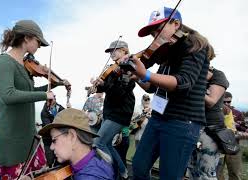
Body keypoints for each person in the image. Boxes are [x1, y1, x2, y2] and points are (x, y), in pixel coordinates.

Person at [130, 7, 213, 179]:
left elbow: (183, 82)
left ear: (176, 24)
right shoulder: (166, 52)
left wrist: (146, 73)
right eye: (153, 33)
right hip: (158, 117)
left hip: (182, 122)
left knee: (169, 176)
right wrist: (137, 76)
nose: (155, 37)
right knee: (138, 166)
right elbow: (152, 87)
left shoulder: (195, 45)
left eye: (158, 30)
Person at [0, 19, 69, 179]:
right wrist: (44, 95)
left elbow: (29, 92)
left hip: (26, 134)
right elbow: (9, 95)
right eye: (38, 42)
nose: (39, 47)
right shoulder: (5, 61)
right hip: (11, 136)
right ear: (27, 38)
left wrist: (56, 84)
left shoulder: (23, 64)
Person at [93, 40, 135, 179]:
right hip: (110, 111)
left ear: (124, 50)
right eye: (110, 51)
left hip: (119, 112)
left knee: (98, 143)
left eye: (114, 50)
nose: (111, 53)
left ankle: (109, 173)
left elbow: (119, 93)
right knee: (108, 145)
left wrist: (105, 84)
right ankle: (123, 172)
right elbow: (106, 89)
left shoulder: (129, 67)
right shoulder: (112, 69)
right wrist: (99, 84)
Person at [38, 108, 114, 180]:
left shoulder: (90, 177)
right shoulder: (93, 158)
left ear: (72, 136)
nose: (51, 147)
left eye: (54, 140)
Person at [188, 66, 229, 179]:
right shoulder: (191, 72)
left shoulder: (218, 75)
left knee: (207, 173)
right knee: (192, 170)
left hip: (210, 130)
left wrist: (194, 85)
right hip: (191, 127)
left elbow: (211, 101)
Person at [216, 91, 243, 180]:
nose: (226, 104)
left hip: (233, 145)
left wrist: (240, 131)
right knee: (218, 174)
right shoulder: (214, 111)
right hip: (219, 147)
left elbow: (243, 127)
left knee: (235, 173)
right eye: (224, 102)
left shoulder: (237, 113)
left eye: (229, 102)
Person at [40, 95, 65, 167]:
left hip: (58, 139)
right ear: (47, 100)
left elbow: (66, 115)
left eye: (53, 98)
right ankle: (50, 167)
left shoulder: (60, 107)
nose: (52, 100)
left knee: (59, 158)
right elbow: (49, 126)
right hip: (48, 139)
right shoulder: (43, 112)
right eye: (50, 99)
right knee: (50, 159)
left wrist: (69, 108)